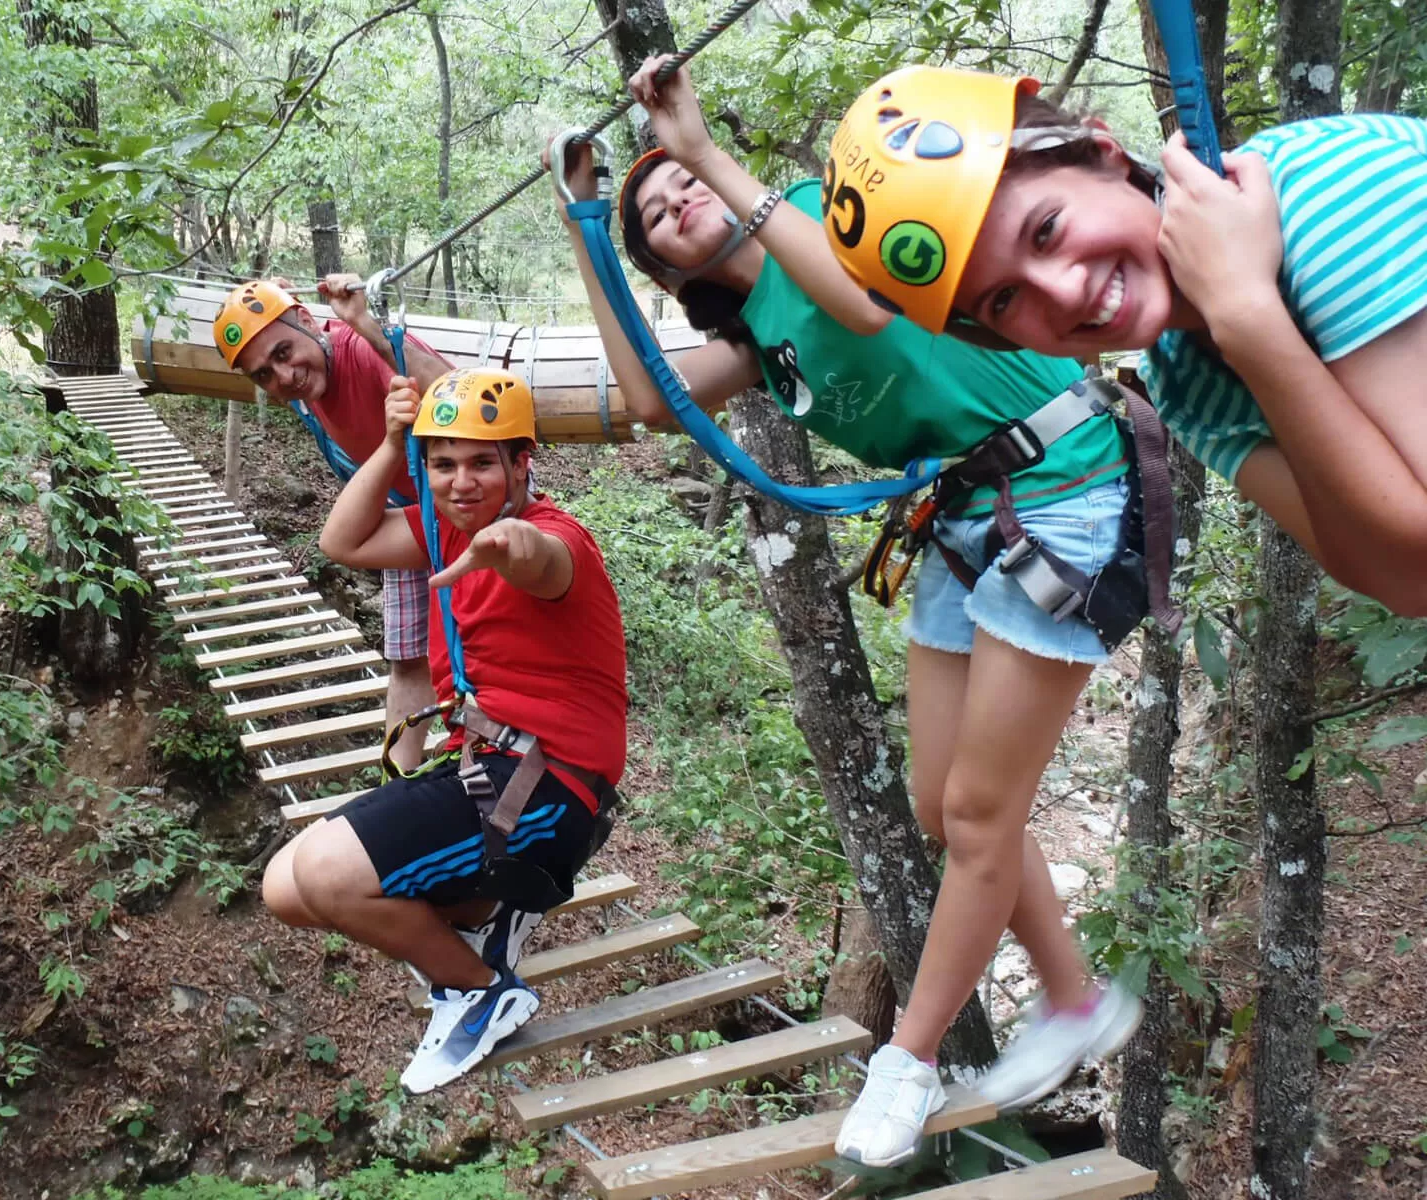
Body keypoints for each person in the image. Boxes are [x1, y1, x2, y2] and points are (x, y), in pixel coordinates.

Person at [552, 57, 1145, 1167]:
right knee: (943, 807)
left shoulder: (834, 216)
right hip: (971, 520)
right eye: (656, 222)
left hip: (1064, 484)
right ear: (670, 268)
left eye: (676, 188)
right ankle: (1070, 997)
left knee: (974, 818)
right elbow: (646, 400)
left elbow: (867, 306)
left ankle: (907, 1064)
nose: (673, 204)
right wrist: (590, 228)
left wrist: (689, 141)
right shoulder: (754, 345)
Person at [827, 65, 1427, 614]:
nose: (1061, 293)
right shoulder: (1182, 381)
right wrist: (1243, 320)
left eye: (1046, 230)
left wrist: (1248, 318)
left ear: (1108, 154)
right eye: (1004, 299)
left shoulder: (1321, 197)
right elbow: (1399, 582)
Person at [261, 366, 628, 1095]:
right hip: (486, 767)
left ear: (522, 464)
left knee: (329, 874)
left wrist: (505, 545)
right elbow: (343, 540)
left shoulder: (557, 541)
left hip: (549, 788)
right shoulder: (444, 530)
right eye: (444, 464)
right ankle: (485, 912)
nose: (462, 482)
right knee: (284, 888)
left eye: (484, 463)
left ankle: (481, 988)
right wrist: (396, 443)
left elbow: (541, 560)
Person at [212, 276, 458, 768]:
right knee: (409, 658)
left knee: (476, 649)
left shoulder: (359, 349)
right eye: (264, 374)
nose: (283, 376)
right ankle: (398, 776)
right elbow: (279, 336)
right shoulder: (305, 386)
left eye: (284, 352)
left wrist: (369, 326)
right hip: (408, 505)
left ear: (307, 321)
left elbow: (463, 395)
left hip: (466, 498)